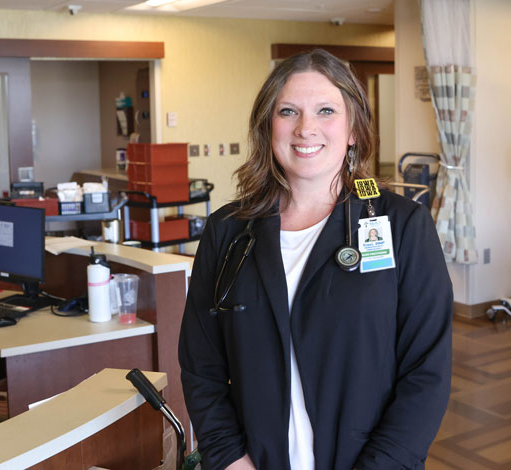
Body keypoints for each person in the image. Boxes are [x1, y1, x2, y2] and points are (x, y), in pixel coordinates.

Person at [179, 49, 453, 470]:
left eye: (326, 110)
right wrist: (230, 459)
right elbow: (201, 365)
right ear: (268, 127)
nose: (306, 129)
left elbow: (426, 372)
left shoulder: (401, 226)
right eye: (288, 111)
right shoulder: (227, 231)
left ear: (354, 130)